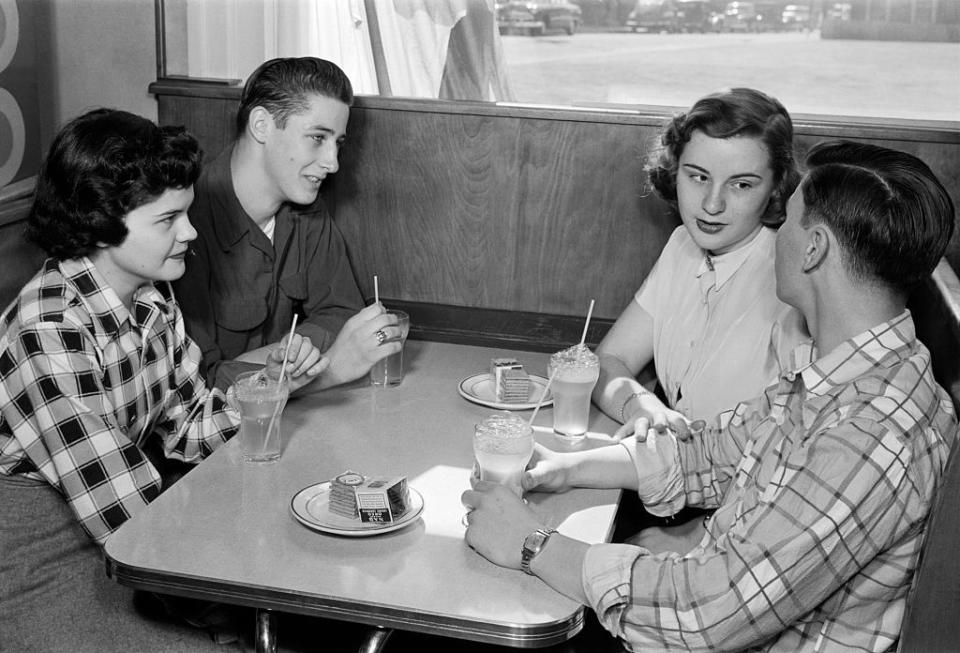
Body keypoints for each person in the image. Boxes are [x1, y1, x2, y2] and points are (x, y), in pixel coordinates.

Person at [463, 140, 958, 652]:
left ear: (814, 249)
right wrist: (567, 468)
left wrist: (531, 544)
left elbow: (708, 612)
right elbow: (711, 452)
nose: (776, 237)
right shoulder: (839, 368)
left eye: (786, 221)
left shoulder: (873, 433)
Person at [0, 108, 325, 650]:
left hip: (117, 531)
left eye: (187, 214)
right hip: (34, 557)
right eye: (167, 220)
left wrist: (270, 388)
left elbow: (191, 428)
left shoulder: (151, 299)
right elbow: (123, 509)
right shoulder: (47, 328)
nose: (190, 232)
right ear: (100, 222)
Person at [172, 56, 401, 391]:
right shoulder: (184, 223)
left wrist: (291, 354)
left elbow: (341, 314)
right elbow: (198, 381)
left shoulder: (306, 207)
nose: (333, 163)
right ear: (262, 125)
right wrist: (317, 371)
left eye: (337, 143)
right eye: (317, 138)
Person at [593, 87, 807, 442]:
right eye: (698, 176)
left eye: (741, 184)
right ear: (675, 170)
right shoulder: (681, 246)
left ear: (776, 187)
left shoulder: (790, 278)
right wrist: (643, 407)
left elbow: (796, 433)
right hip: (668, 470)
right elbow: (610, 359)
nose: (711, 204)